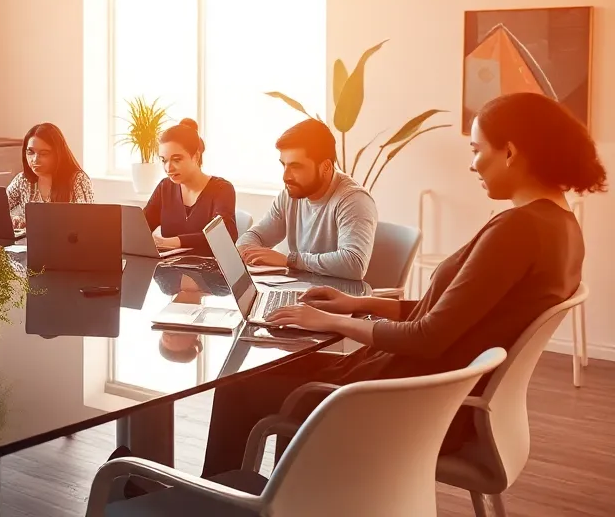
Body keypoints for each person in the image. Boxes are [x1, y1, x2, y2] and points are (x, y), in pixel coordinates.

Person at [196, 92, 603, 477]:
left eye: (477, 150)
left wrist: (331, 322)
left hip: (403, 402)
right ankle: (281, 497)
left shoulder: (519, 231)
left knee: (237, 386)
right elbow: (451, 315)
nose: (472, 164)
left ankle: (225, 504)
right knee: (269, 372)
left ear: (510, 153)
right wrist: (358, 305)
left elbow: (427, 337)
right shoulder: (561, 227)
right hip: (430, 393)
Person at [235, 118, 377, 280]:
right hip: (301, 289)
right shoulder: (290, 195)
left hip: (335, 294)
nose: (286, 177)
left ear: (326, 167)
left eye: (296, 167)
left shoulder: (353, 200)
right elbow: (257, 236)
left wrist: (290, 260)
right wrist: (246, 250)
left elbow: (354, 264)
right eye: (284, 165)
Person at [142, 119, 238, 252]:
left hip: (207, 265)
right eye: (164, 160)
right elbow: (141, 227)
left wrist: (173, 242)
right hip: (169, 265)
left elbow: (224, 236)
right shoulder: (165, 187)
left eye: (177, 160)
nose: (168, 168)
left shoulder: (222, 189)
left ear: (196, 156)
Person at [7, 122, 95, 228]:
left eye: (44, 154)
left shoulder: (78, 180)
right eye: (30, 152)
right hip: (30, 238)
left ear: (58, 154)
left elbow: (86, 222)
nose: (35, 159)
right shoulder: (22, 180)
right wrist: (16, 218)